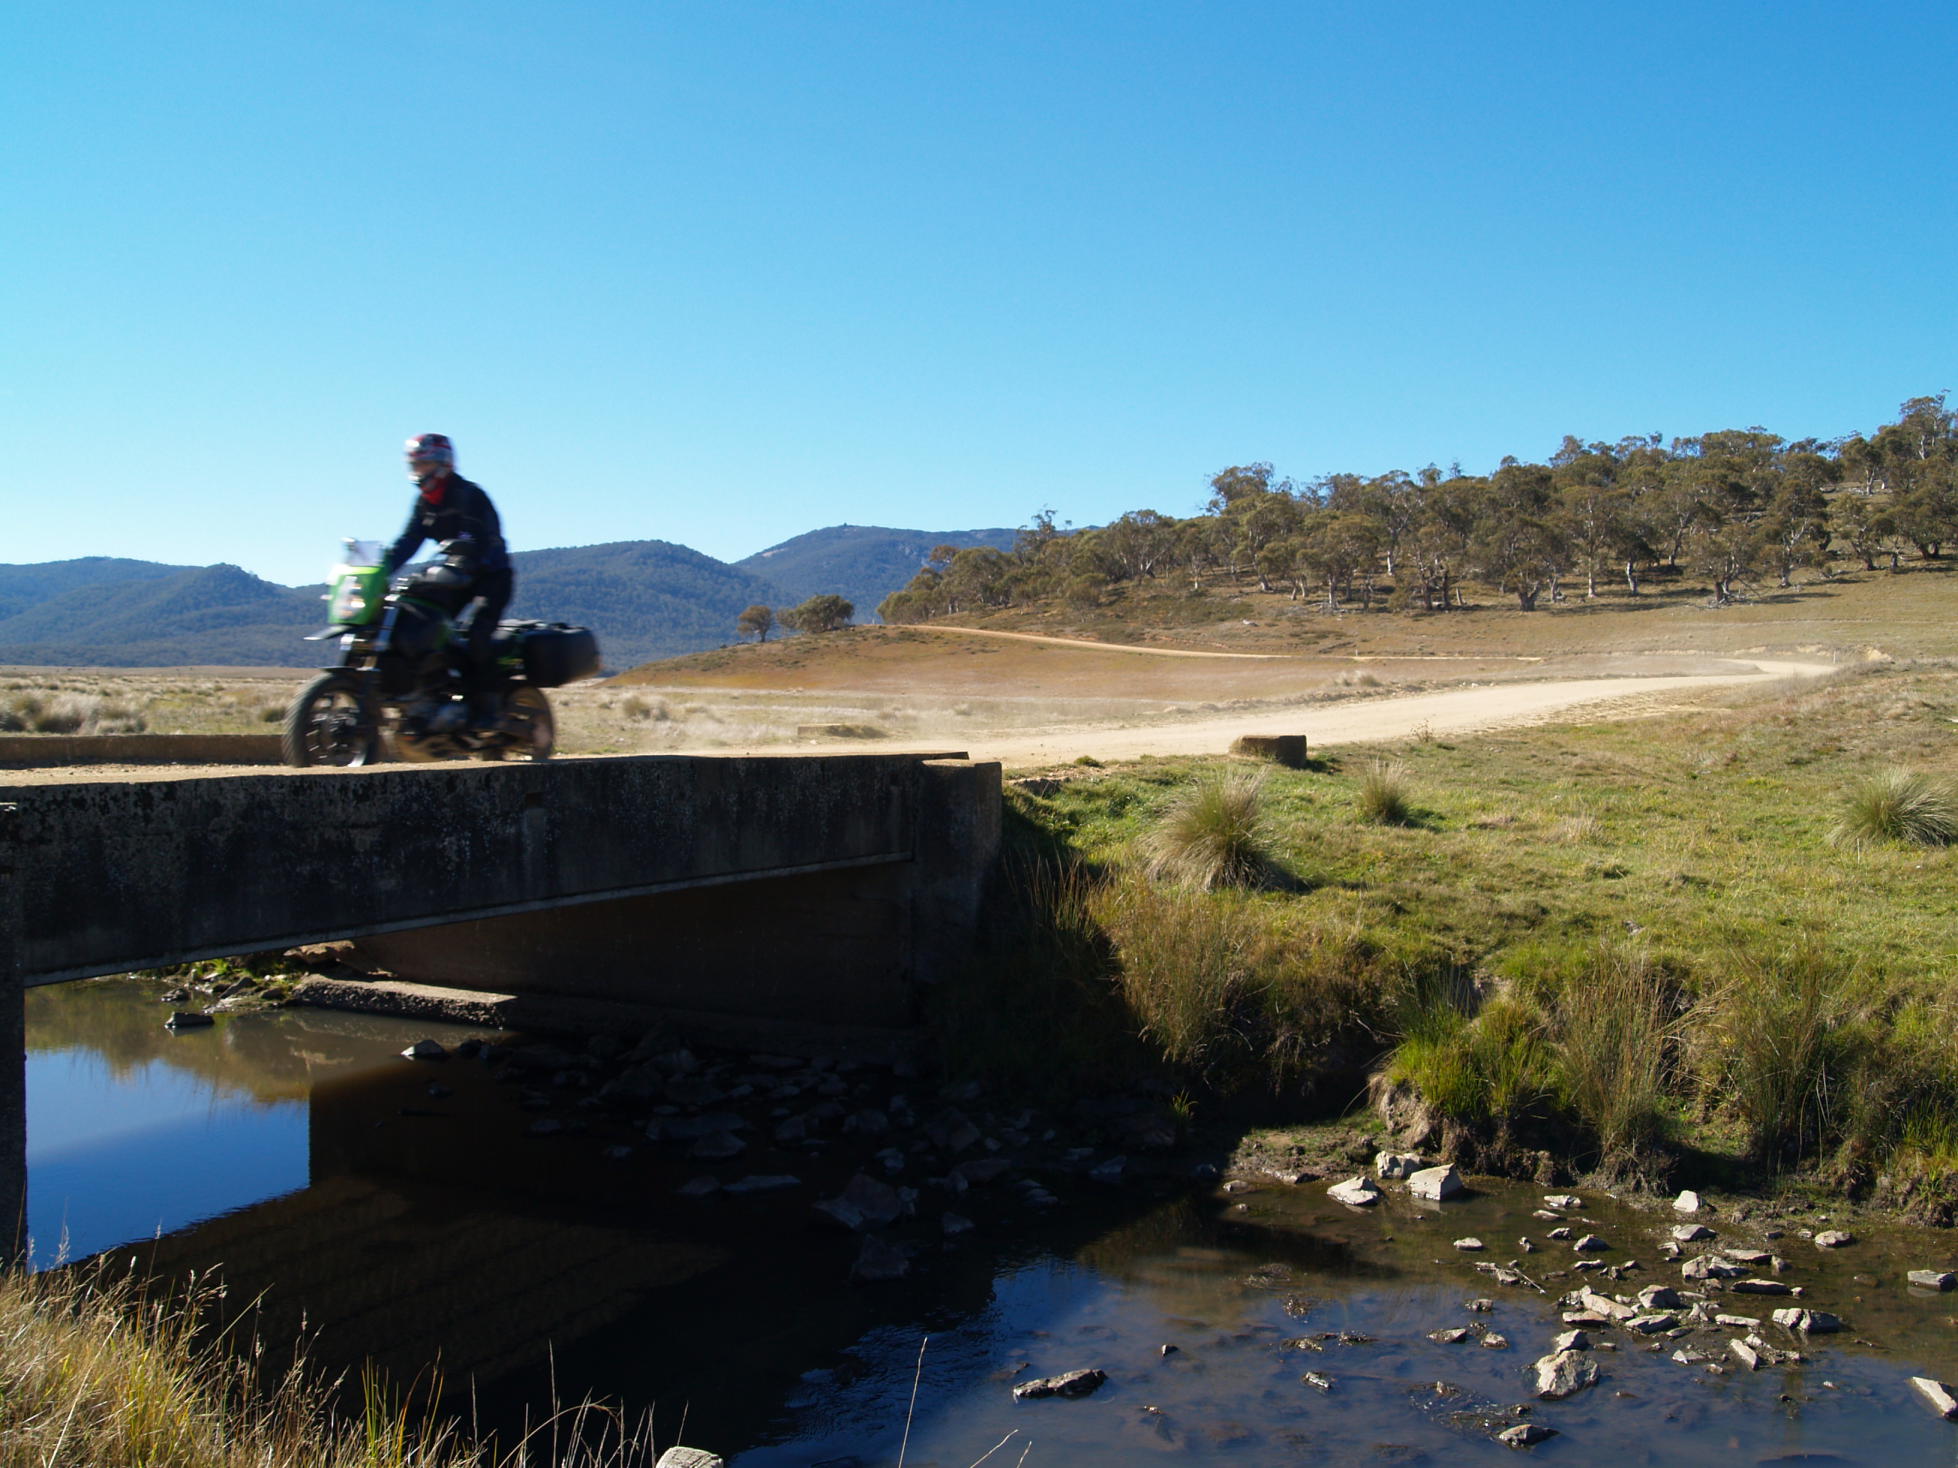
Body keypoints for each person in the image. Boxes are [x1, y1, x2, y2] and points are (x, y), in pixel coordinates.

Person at [382, 433, 513, 731]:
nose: (419, 471)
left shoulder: (469, 495)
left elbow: (479, 537)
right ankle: (432, 693)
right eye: (415, 465)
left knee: (478, 634)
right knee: (425, 628)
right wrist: (381, 567)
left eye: (425, 464)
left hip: (490, 576)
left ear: (444, 464)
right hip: (454, 577)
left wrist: (467, 557)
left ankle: (490, 707)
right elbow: (407, 542)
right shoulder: (423, 504)